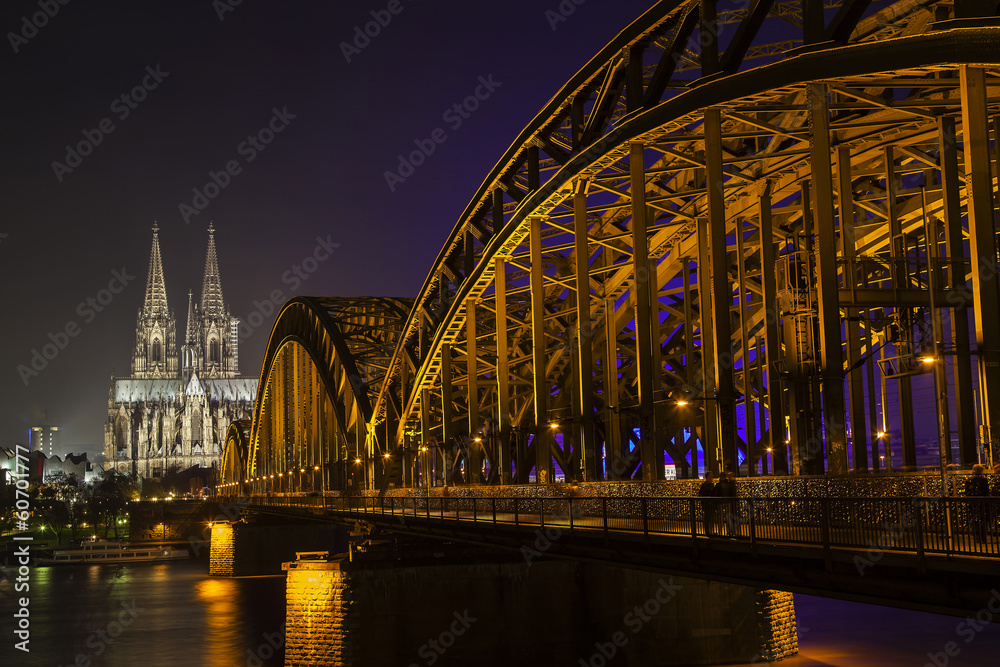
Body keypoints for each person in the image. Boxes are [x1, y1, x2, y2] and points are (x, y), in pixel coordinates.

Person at [965, 464, 991, 543]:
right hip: (982, 503)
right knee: (983, 519)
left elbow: (967, 492)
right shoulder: (984, 480)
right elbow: (987, 492)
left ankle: (977, 537)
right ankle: (983, 537)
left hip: (973, 503)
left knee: (974, 520)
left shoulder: (968, 480)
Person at [715, 472, 738, 537]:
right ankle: (729, 531)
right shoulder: (728, 484)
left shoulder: (718, 485)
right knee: (728, 518)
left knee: (721, 518)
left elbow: (716, 494)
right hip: (727, 502)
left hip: (721, 502)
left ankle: (721, 531)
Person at [698, 472, 718, 536]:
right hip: (708, 504)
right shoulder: (707, 485)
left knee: (710, 518)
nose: (712, 477)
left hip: (708, 504)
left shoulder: (707, 485)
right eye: (711, 476)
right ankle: (709, 531)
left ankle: (709, 531)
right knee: (709, 518)